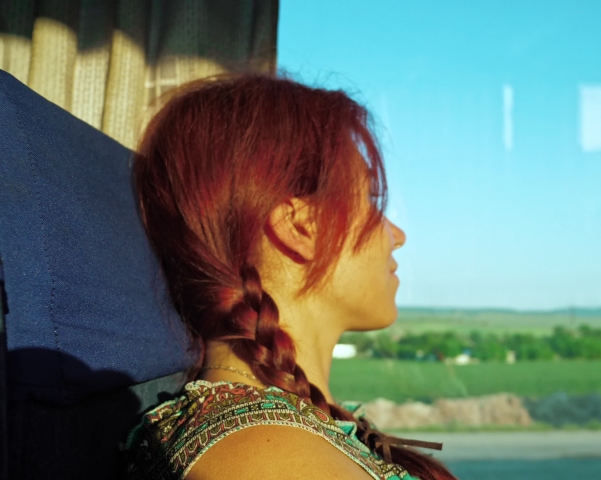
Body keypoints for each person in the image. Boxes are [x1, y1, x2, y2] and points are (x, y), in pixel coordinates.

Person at [123, 74, 457, 480]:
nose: (398, 236)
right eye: (370, 200)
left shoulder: (282, 432)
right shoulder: (267, 459)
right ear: (299, 228)